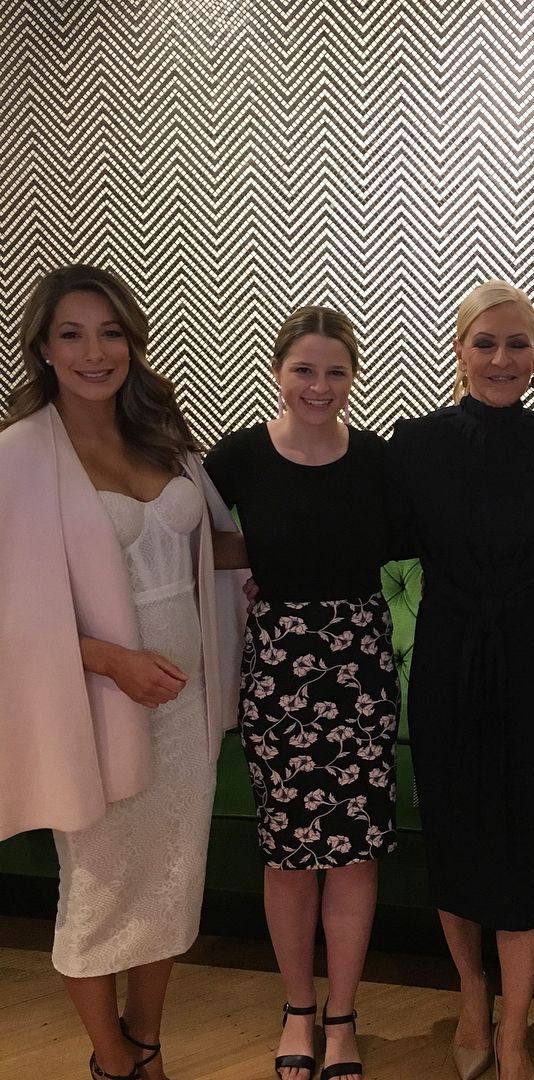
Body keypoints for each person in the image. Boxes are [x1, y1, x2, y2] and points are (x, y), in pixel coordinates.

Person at [0, 264, 246, 1080]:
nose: (94, 351)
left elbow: (203, 548)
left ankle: (147, 1044)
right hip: (95, 703)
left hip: (186, 704)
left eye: (110, 332)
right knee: (100, 890)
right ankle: (111, 1064)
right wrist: (110, 661)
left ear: (132, 343)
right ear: (43, 347)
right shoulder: (19, 458)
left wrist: (311, 547)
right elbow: (12, 610)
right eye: (71, 334)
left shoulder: (161, 436)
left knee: (173, 882)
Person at [204, 307, 397, 1080]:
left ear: (353, 377)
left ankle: (343, 1018)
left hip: (359, 666)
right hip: (279, 668)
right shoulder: (241, 455)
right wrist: (250, 562)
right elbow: (184, 532)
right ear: (279, 371)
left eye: (335, 371)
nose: (319, 385)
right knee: (287, 853)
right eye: (304, 370)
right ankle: (297, 1010)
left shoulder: (377, 459)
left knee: (353, 854)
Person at [386, 280, 534, 1080]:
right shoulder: (414, 443)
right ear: (459, 350)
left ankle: (515, 1029)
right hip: (446, 656)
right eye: (485, 343)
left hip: (529, 658)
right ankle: (471, 995)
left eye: (517, 344)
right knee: (454, 835)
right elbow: (361, 530)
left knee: (523, 839)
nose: (502, 359)